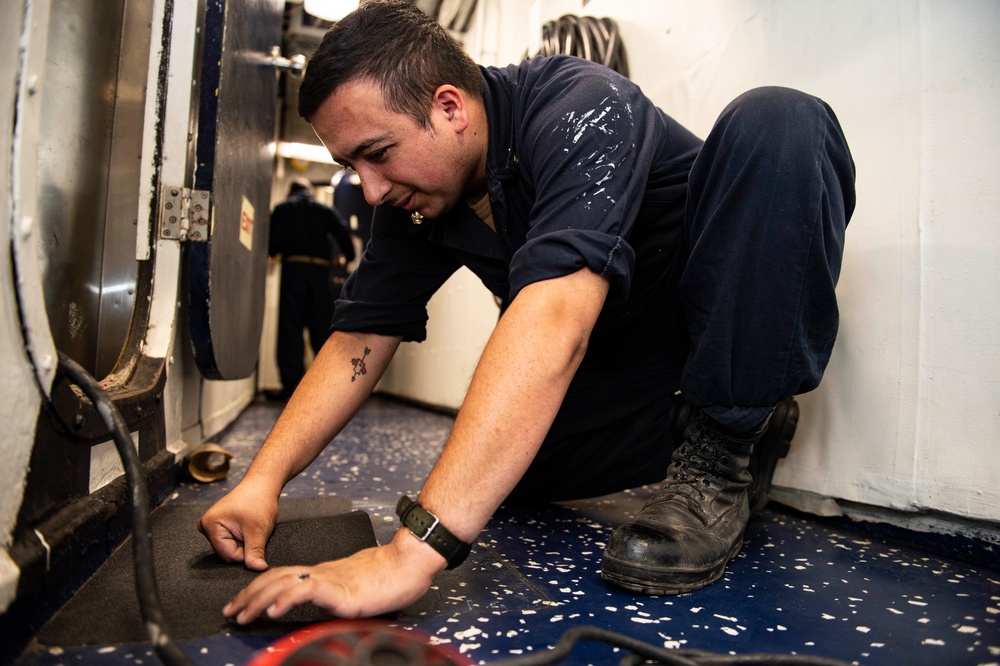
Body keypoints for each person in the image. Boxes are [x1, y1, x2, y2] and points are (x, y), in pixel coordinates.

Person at [198, 0, 855, 623]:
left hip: (716, 328)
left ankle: (725, 439)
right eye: (351, 165)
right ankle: (715, 426)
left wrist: (408, 555)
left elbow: (556, 318)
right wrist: (264, 480)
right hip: (621, 365)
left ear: (449, 107)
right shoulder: (416, 201)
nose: (370, 188)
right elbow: (355, 341)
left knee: (779, 119)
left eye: (377, 153)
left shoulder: (580, 107)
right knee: (515, 474)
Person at [267, 177, 356, 398]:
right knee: (320, 328)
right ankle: (324, 387)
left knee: (290, 328)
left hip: (293, 269)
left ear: (291, 191)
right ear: (309, 191)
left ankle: (292, 389)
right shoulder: (325, 210)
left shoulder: (282, 208)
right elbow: (345, 236)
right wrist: (346, 256)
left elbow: (272, 245)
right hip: (318, 272)